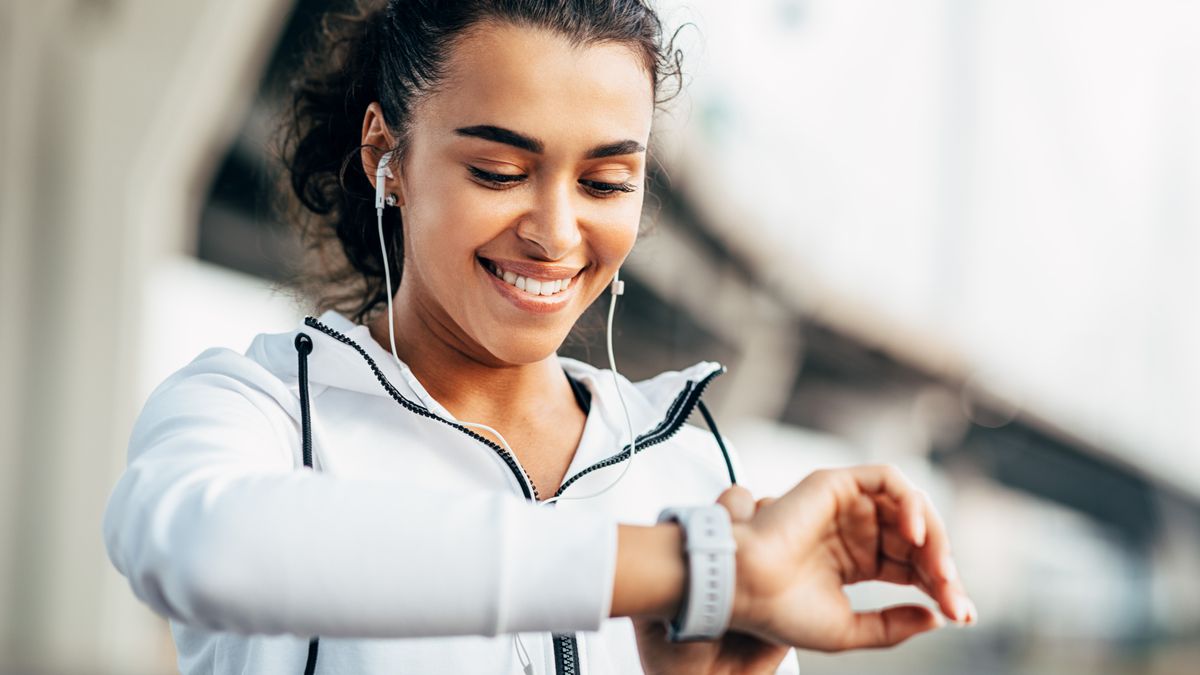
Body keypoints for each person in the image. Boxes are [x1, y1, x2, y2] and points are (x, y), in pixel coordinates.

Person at [101, 1, 977, 673]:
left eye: (604, 181)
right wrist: (685, 566)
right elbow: (204, 548)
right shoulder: (259, 408)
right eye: (500, 171)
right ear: (386, 156)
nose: (556, 233)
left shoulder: (692, 464)